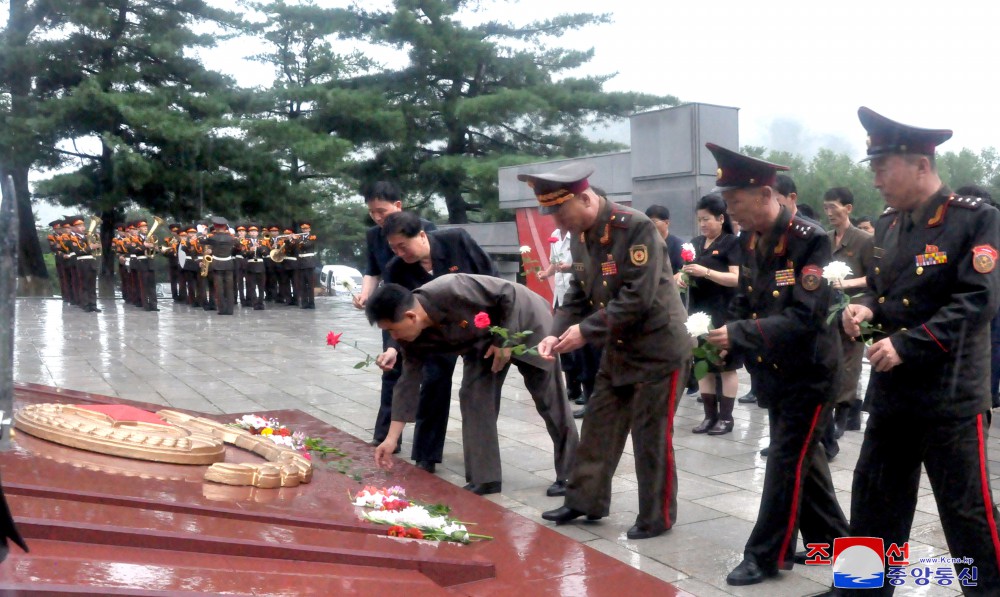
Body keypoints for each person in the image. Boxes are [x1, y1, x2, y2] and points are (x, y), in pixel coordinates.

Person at [841, 107, 1000, 594]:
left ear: (920, 166)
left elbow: (979, 299)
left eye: (882, 167)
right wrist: (867, 307)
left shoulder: (975, 220)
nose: (875, 179)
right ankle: (861, 588)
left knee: (965, 512)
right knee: (873, 498)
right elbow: (886, 289)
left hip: (948, 396)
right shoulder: (888, 227)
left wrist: (909, 344)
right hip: (894, 393)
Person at [702, 143, 847, 585]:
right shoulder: (748, 240)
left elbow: (805, 317)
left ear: (766, 194)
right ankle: (834, 544)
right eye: (726, 205)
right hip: (774, 371)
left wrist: (743, 333)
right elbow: (746, 298)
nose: (731, 213)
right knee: (807, 463)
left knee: (785, 460)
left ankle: (765, 555)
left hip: (810, 373)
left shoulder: (810, 240)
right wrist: (728, 340)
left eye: (736, 204)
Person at [524, 163, 690, 541]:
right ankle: (584, 501)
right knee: (598, 427)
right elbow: (577, 295)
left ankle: (657, 515)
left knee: (651, 436)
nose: (558, 225)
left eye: (560, 214)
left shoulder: (634, 227)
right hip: (619, 348)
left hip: (659, 349)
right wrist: (553, 334)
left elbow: (639, 296)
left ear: (585, 198)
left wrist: (585, 331)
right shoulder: (581, 234)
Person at [369, 275, 578, 497]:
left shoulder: (450, 288)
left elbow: (510, 294)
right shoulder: (411, 337)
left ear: (410, 316)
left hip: (526, 321)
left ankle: (572, 474)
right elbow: (407, 384)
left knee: (549, 400)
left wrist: (505, 343)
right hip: (483, 341)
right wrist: (390, 439)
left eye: (392, 330)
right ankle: (485, 478)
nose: (393, 337)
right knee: (473, 397)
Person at [380, 211, 500, 478]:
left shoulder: (457, 240)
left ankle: (482, 462)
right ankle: (426, 455)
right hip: (435, 335)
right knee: (433, 384)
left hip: (477, 329)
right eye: (393, 248)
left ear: (422, 235)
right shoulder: (396, 269)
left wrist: (499, 335)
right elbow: (394, 314)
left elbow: (493, 279)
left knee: (479, 394)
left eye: (404, 245)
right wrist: (391, 347)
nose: (400, 253)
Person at [353, 181, 437, 450]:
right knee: (391, 368)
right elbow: (372, 269)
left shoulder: (421, 228)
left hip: (425, 309)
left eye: (382, 211)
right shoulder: (373, 236)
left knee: (433, 375)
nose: (378, 218)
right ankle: (386, 436)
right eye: (372, 212)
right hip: (393, 308)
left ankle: (426, 449)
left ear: (398, 206)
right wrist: (366, 295)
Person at [676, 193, 742, 434]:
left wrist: (706, 272)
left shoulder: (731, 243)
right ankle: (708, 416)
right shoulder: (693, 244)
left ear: (721, 218)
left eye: (707, 219)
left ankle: (726, 417)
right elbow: (681, 272)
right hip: (698, 313)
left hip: (723, 311)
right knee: (702, 361)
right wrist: (681, 278)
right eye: (700, 220)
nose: (703, 224)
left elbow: (736, 279)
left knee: (725, 365)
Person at [822, 187, 874, 438]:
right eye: (826, 208)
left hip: (856, 308)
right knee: (831, 360)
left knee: (850, 363)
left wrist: (849, 284)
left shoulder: (863, 240)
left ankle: (843, 415)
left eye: (834, 207)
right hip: (829, 309)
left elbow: (876, 277)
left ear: (848, 209)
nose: (829, 212)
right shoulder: (825, 239)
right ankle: (832, 412)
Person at [204, 217, 237, 315]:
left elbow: (202, 241)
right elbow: (239, 246)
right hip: (228, 264)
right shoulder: (231, 238)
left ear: (215, 227)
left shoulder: (212, 238)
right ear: (225, 227)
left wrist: (203, 234)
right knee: (230, 288)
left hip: (217, 264)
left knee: (219, 288)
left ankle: (222, 309)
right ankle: (230, 310)